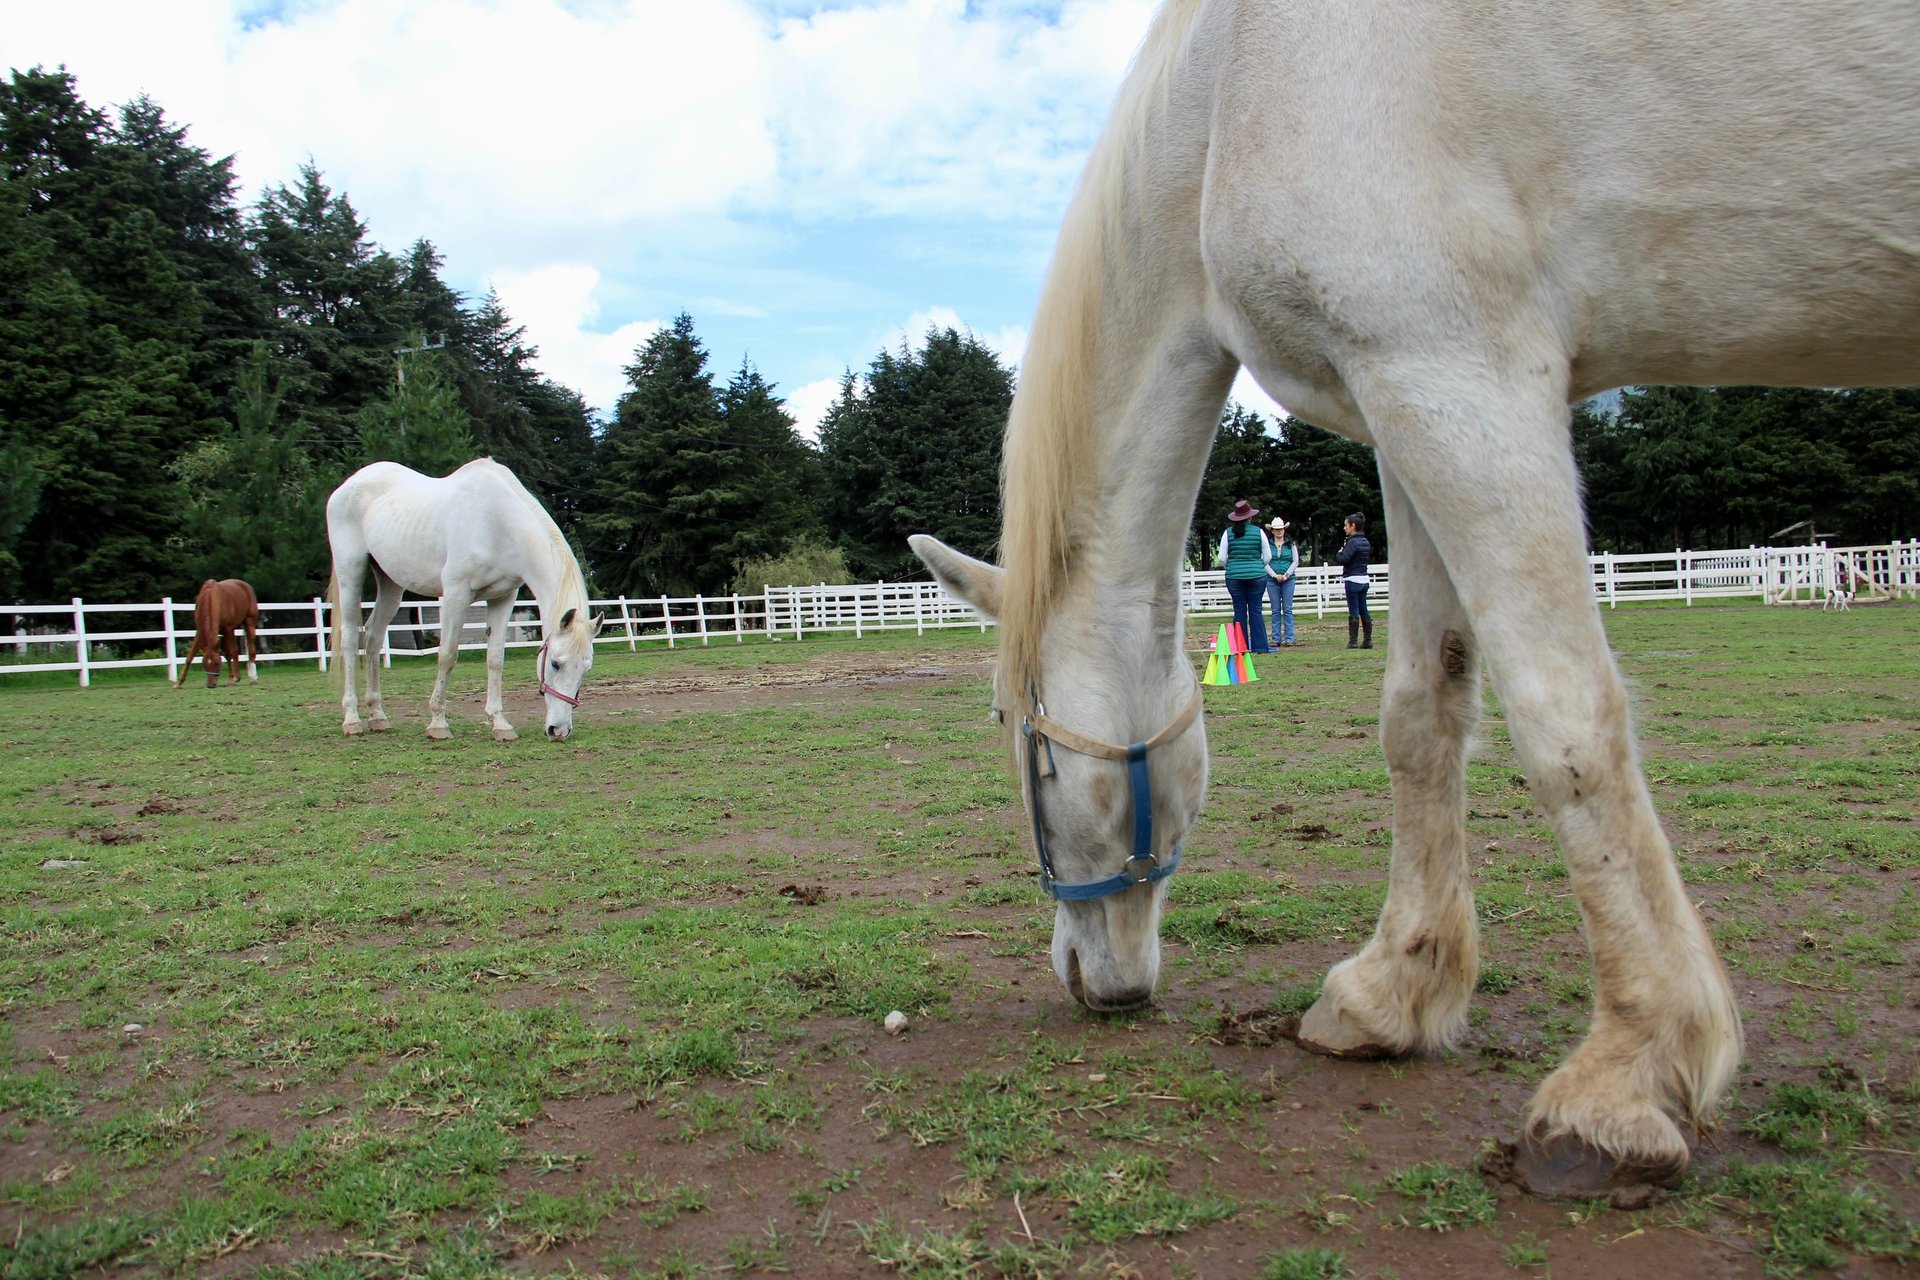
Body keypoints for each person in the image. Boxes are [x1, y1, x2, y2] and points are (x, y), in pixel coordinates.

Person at [1217, 499, 1271, 655]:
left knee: (1239, 610)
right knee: (1256, 610)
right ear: (1250, 517)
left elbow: (1221, 558)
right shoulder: (1259, 532)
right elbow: (1267, 556)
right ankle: (1260, 647)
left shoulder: (1227, 533)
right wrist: (1257, 564)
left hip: (1234, 577)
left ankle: (1240, 647)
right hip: (1257, 577)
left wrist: (1232, 566)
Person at [1337, 512, 1373, 649]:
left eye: (1346, 525)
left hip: (1352, 579)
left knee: (1354, 610)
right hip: (1364, 578)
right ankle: (1367, 640)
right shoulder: (1365, 541)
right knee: (1364, 608)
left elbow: (1344, 559)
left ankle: (1353, 641)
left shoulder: (1352, 542)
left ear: (1353, 526)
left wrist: (1339, 552)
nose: (1344, 528)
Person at [1263, 516, 1297, 649]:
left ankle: (1289, 638)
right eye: (1276, 529)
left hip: (1288, 580)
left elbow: (1295, 561)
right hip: (1272, 580)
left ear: (1284, 529)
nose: (1279, 531)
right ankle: (1276, 638)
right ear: (1272, 531)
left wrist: (1286, 575)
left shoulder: (1290, 544)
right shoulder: (1267, 544)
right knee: (1275, 609)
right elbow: (1265, 561)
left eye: (1281, 529)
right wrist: (1274, 575)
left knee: (1287, 609)